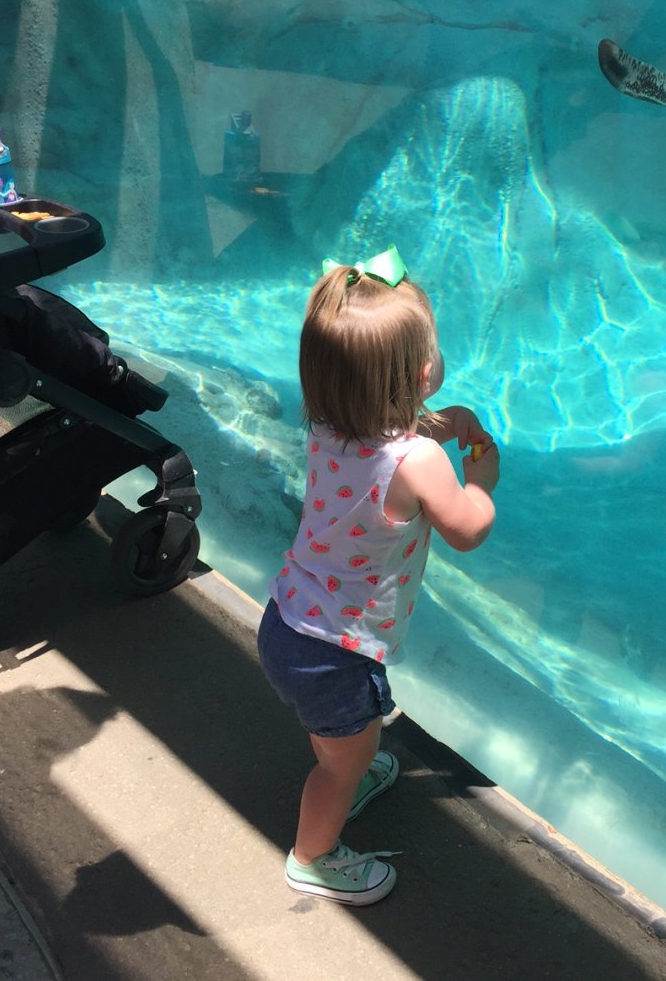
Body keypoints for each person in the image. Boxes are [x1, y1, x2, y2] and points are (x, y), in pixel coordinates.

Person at [257, 246, 499, 906]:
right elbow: (467, 529)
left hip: (289, 621)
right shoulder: (419, 459)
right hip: (336, 652)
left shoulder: (330, 425)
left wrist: (447, 426)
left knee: (344, 746)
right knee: (340, 764)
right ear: (425, 373)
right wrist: (481, 470)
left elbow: (390, 442)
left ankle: (348, 767)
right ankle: (314, 857)